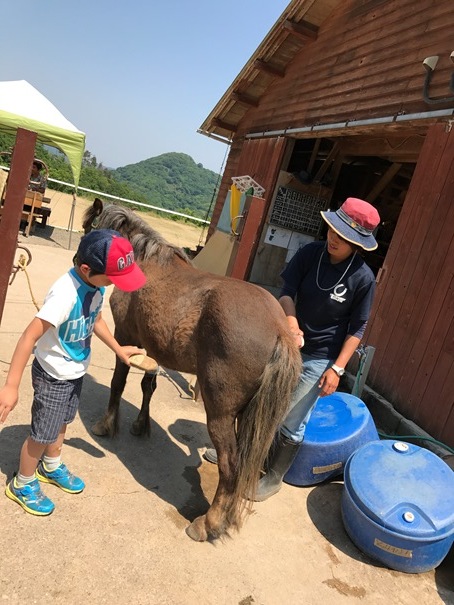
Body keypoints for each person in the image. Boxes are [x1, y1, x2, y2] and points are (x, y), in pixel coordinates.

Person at [204, 197, 380, 502]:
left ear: (358, 243)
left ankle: (273, 477)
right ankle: (237, 456)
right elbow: (287, 292)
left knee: (292, 414)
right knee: (259, 400)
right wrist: (291, 322)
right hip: (287, 342)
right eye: (333, 230)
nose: (334, 238)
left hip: (322, 356)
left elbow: (357, 329)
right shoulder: (311, 253)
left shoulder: (363, 278)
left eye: (344, 236)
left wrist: (337, 368)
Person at [0, 229, 148, 516]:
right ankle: (23, 482)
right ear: (86, 268)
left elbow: (96, 319)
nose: (114, 285)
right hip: (53, 374)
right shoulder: (64, 294)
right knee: (42, 434)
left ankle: (51, 465)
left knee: (62, 423)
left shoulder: (95, 286)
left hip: (75, 370)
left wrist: (118, 348)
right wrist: (11, 385)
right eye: (112, 279)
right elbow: (28, 337)